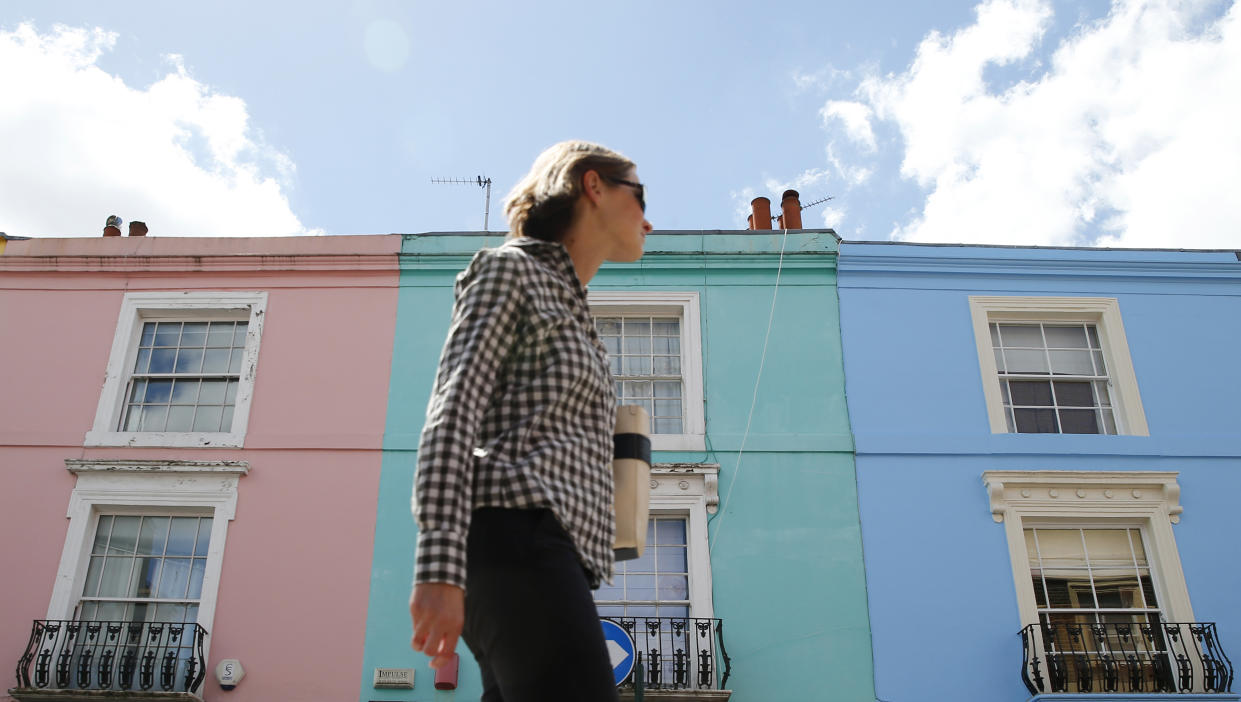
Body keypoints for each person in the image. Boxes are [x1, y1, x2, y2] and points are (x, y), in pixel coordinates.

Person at [409, 140, 652, 701]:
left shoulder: (576, 313)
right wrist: (439, 565)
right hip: (514, 539)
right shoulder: (509, 271)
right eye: (639, 195)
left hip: (544, 551)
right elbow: (453, 411)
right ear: (593, 186)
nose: (650, 218)